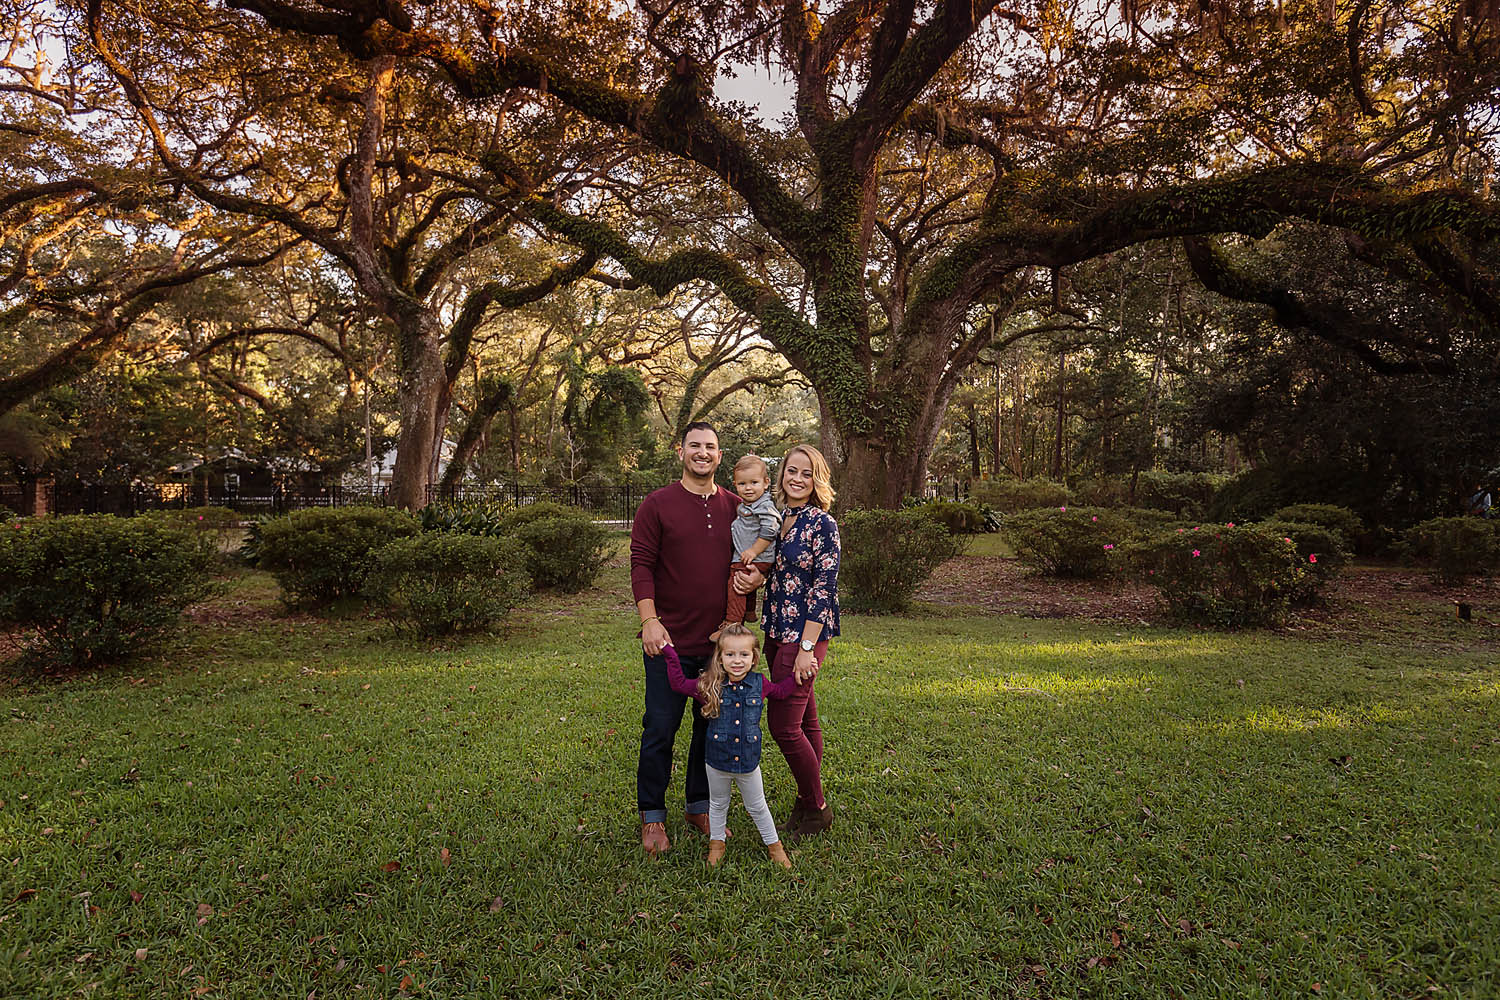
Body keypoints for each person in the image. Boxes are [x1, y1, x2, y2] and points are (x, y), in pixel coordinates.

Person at [630, 421, 742, 856]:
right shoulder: (657, 504)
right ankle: (652, 816)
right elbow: (641, 565)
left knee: (709, 729)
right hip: (668, 642)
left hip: (719, 644)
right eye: (694, 445)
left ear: (719, 455)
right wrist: (650, 620)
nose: (703, 452)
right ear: (680, 451)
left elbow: (753, 559)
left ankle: (699, 806)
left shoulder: (736, 507)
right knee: (660, 727)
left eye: (710, 447)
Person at [741, 444, 841, 841]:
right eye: (790, 472)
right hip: (775, 631)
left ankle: (816, 808)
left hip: (804, 638)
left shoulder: (822, 524)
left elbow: (823, 587)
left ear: (817, 480)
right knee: (805, 720)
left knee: (783, 726)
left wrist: (805, 649)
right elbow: (779, 573)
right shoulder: (780, 518)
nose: (796, 479)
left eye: (806, 473)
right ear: (780, 476)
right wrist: (757, 579)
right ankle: (806, 798)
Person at [662, 625, 799, 869]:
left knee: (758, 806)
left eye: (744, 655)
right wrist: (670, 653)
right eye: (730, 655)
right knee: (717, 804)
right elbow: (679, 684)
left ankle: (775, 846)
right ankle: (716, 845)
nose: (737, 661)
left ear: (754, 657)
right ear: (720, 658)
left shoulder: (760, 683)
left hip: (748, 762)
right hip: (717, 761)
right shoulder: (710, 685)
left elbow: (782, 691)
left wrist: (803, 675)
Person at [711, 454, 781, 640]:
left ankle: (732, 623)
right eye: (742, 484)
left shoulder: (764, 506)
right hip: (749, 555)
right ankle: (749, 611)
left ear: (766, 483)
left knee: (736, 585)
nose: (748, 488)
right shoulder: (746, 504)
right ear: (735, 484)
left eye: (754, 482)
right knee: (747, 583)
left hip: (756, 556)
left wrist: (754, 551)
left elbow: (770, 530)